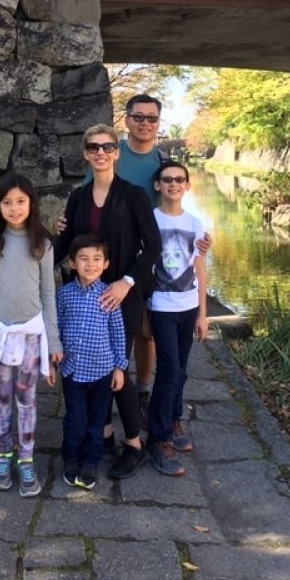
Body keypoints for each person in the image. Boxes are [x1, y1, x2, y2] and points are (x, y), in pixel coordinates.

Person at [78, 94, 211, 427]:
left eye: (152, 118)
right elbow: (85, 199)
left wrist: (197, 240)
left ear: (158, 123)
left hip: (151, 260)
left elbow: (174, 207)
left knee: (146, 331)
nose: (145, 123)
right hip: (110, 254)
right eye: (138, 117)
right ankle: (104, 391)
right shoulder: (111, 153)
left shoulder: (162, 160)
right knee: (107, 326)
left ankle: (143, 391)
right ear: (127, 120)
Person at [54, 124, 161, 479]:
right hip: (83, 296)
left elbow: (153, 247)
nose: (101, 152)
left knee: (117, 370)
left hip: (120, 296)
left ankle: (134, 444)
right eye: (93, 147)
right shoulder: (77, 198)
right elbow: (65, 245)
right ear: (85, 153)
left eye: (108, 147)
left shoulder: (133, 195)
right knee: (89, 366)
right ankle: (105, 435)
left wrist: (126, 282)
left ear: (117, 152)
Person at [0, 173, 63, 498]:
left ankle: (25, 459)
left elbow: (49, 295)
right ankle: (3, 455)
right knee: (2, 398)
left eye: (20, 201)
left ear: (31, 203)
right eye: (7, 202)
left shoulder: (43, 243)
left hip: (31, 336)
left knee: (27, 399)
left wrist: (53, 342)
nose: (14, 208)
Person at [145, 161, 208, 476]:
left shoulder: (195, 223)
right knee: (168, 370)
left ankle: (173, 417)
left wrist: (203, 314)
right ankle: (158, 438)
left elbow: (198, 268)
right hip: (161, 306)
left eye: (179, 180)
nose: (173, 184)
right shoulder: (149, 220)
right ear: (157, 185)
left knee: (180, 370)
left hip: (187, 307)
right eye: (167, 180)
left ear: (187, 185)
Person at [56, 234, 127, 490]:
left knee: (97, 421)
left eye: (97, 259)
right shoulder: (64, 295)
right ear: (73, 263)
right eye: (83, 259)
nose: (90, 264)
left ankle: (90, 463)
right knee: (75, 420)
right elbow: (58, 329)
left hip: (102, 372)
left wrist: (120, 367)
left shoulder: (110, 296)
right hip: (73, 371)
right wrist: (53, 359)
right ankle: (71, 458)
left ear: (106, 264)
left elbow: (118, 333)